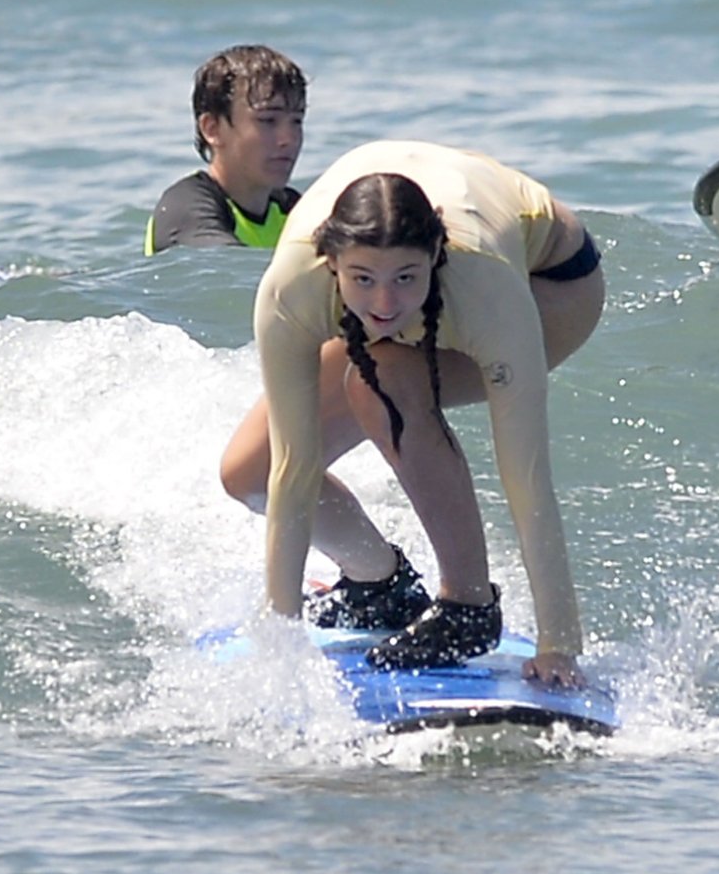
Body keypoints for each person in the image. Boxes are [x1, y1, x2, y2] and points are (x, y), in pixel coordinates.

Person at [231, 140, 604, 687]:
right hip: (395, 219)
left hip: (551, 284)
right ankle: (379, 586)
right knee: (249, 473)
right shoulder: (291, 290)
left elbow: (527, 479)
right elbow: (294, 467)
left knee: (380, 378)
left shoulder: (484, 287)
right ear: (331, 264)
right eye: (362, 280)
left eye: (405, 277)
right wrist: (279, 639)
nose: (384, 304)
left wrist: (559, 645)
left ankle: (468, 606)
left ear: (433, 256)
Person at [144, 44, 307, 255]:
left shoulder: (293, 210)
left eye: (296, 121)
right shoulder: (184, 207)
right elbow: (225, 266)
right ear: (212, 129)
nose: (289, 139)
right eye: (268, 120)